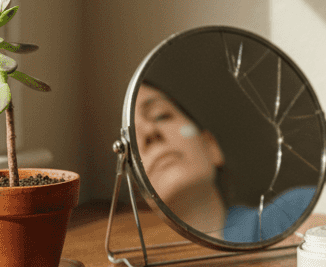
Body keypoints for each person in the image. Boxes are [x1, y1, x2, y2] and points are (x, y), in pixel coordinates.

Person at [133, 82, 315, 243]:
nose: (149, 131)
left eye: (161, 115)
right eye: (132, 138)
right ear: (133, 183)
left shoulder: (294, 212)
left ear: (210, 145)